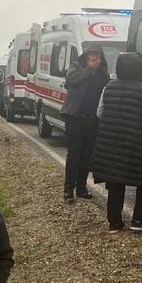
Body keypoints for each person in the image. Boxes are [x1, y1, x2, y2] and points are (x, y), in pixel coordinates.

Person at [92, 52, 142, 232]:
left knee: (115, 182)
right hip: (137, 144)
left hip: (111, 143)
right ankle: (138, 220)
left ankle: (114, 223)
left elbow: (99, 113)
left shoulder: (108, 87)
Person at [61, 45, 110, 202]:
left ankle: (81, 187)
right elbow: (72, 80)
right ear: (85, 57)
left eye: (96, 55)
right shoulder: (76, 67)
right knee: (74, 152)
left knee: (86, 154)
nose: (93, 58)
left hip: (92, 118)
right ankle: (68, 188)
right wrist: (89, 69)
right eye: (91, 55)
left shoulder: (103, 74)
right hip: (74, 116)